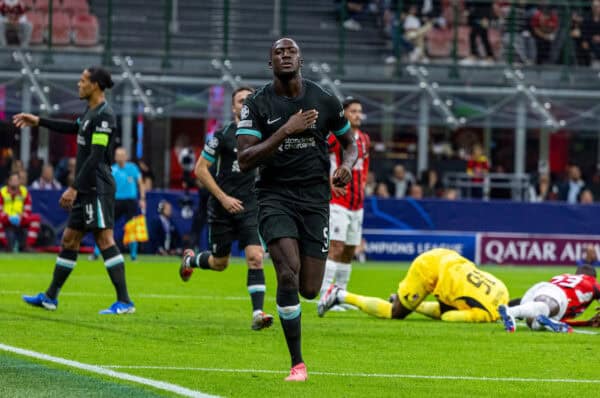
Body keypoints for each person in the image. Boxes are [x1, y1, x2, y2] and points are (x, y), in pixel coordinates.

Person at [236, 38, 356, 381]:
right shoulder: (258, 104)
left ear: (301, 60)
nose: (285, 55)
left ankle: (294, 315)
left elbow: (349, 144)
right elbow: (244, 160)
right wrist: (286, 130)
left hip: (316, 199)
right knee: (287, 273)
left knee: (309, 289)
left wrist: (345, 165)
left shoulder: (324, 99)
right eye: (278, 52)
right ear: (269, 63)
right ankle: (297, 363)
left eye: (291, 51)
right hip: (275, 196)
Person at [15, 66, 134, 315]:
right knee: (70, 239)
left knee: (104, 239)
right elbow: (73, 128)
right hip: (86, 188)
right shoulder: (91, 112)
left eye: (82, 81)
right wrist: (38, 121)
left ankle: (125, 302)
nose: (78, 85)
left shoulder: (105, 116)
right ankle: (49, 297)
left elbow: (96, 156)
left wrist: (73, 188)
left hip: (96, 188)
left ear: (96, 86)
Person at [179, 86, 274, 331]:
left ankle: (257, 313)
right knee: (220, 263)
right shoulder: (221, 136)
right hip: (222, 207)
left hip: (251, 206)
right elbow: (200, 169)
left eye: (249, 100)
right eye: (241, 100)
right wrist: (223, 198)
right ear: (233, 107)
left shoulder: (265, 136)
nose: (245, 104)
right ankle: (190, 260)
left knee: (255, 258)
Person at [319, 248, 509, 323]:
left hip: (448, 258)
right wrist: (487, 320)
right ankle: (340, 295)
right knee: (396, 313)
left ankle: (408, 302)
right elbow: (449, 317)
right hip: (430, 269)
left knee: (451, 303)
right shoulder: (487, 313)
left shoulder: (503, 292)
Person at [319, 97, 370, 310]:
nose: (358, 115)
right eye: (353, 111)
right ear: (345, 114)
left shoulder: (365, 139)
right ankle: (324, 294)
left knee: (350, 250)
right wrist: (328, 183)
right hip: (339, 201)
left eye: (360, 111)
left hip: (357, 203)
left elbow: (365, 168)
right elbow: (320, 158)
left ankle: (339, 294)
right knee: (336, 247)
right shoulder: (334, 138)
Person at [498, 265, 600, 333]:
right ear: (594, 277)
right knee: (543, 307)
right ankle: (511, 312)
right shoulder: (592, 282)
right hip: (558, 296)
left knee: (533, 323)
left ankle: (549, 322)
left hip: (541, 289)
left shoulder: (564, 276)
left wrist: (588, 323)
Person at [89, 147, 145, 260]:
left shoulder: (133, 168)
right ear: (115, 157)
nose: (120, 157)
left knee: (132, 228)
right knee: (106, 226)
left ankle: (133, 255)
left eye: (122, 155)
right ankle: (96, 252)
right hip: (116, 201)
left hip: (130, 201)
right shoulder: (112, 170)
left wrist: (142, 199)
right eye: (118, 155)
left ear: (126, 157)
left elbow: (140, 183)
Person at [0, 171, 41, 251]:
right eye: (13, 180)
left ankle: (27, 246)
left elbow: (28, 210)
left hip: (20, 218)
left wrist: (21, 216)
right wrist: (8, 217)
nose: (14, 182)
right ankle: (5, 245)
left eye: (16, 180)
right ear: (9, 181)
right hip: (6, 218)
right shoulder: (2, 192)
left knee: (36, 219)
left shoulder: (24, 192)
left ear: (19, 181)